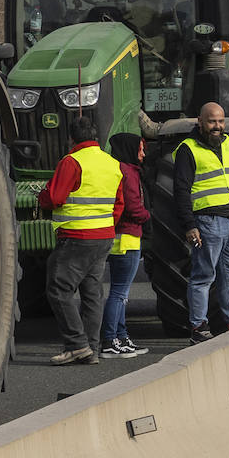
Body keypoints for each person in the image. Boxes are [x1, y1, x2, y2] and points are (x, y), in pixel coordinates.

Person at [39, 116, 124, 365]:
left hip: (76, 236)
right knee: (92, 294)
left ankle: (77, 345)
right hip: (104, 236)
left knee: (58, 290)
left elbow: (54, 197)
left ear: (71, 139)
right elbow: (119, 205)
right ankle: (91, 349)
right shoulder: (112, 163)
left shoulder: (71, 161)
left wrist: (42, 195)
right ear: (95, 137)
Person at [175, 102, 229, 345]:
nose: (217, 126)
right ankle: (198, 327)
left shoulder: (228, 143)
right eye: (212, 121)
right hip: (208, 223)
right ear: (200, 121)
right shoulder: (188, 149)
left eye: (220, 121)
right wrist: (189, 224)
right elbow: (181, 190)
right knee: (203, 276)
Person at [100, 133, 151, 358]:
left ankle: (121, 337)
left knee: (120, 293)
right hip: (128, 238)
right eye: (140, 149)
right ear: (130, 149)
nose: (143, 154)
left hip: (118, 238)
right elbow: (133, 207)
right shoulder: (128, 173)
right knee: (119, 293)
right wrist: (149, 216)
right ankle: (110, 340)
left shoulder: (117, 169)